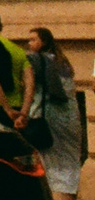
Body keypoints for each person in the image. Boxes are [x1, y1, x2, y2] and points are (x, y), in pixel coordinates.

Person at [32, 27, 83, 195]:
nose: (29, 43)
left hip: (52, 120)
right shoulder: (63, 61)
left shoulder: (41, 61)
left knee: (51, 168)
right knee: (69, 165)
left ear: (43, 42)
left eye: (33, 39)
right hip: (71, 118)